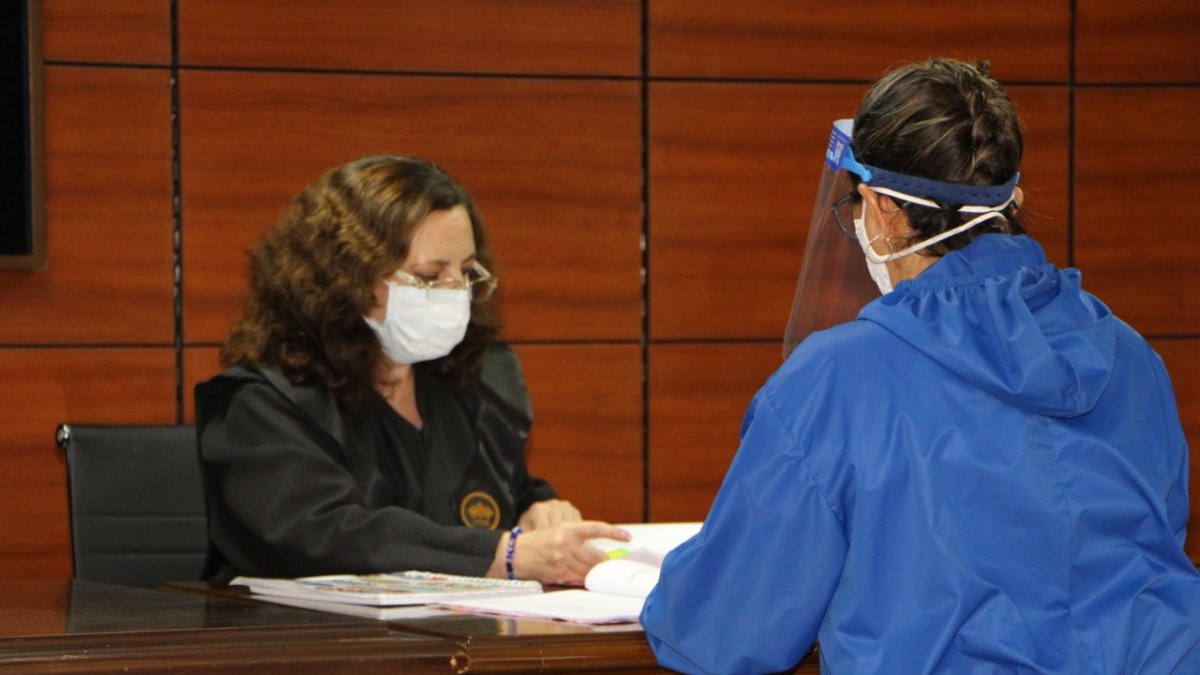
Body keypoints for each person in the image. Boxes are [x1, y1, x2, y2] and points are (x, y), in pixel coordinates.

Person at [641, 58, 1200, 674]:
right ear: (1012, 198)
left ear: (881, 207)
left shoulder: (834, 381)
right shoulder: (1129, 355)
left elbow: (722, 631)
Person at [195, 155, 628, 584]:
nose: (454, 292)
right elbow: (321, 532)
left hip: (464, 639)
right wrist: (500, 556)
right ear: (347, 278)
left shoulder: (476, 381)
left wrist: (539, 511)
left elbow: (500, 488)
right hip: (311, 643)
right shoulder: (261, 404)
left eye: (465, 271)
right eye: (428, 276)